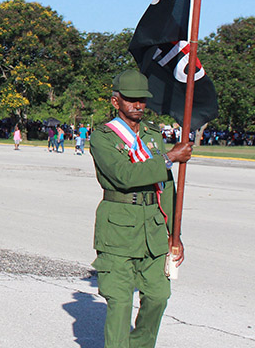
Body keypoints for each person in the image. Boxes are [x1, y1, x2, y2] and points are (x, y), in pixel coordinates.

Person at [90, 70, 192, 348]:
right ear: (115, 102)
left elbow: (165, 186)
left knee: (159, 297)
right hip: (118, 231)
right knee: (120, 304)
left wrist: (175, 235)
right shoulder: (103, 138)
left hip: (154, 230)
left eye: (142, 100)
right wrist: (170, 157)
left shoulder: (153, 135)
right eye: (131, 99)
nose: (138, 105)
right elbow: (124, 176)